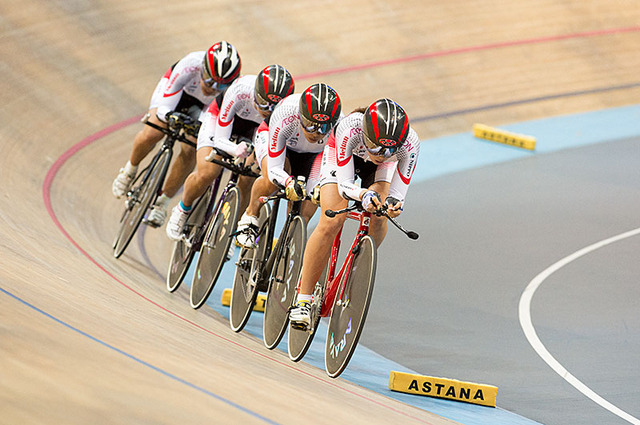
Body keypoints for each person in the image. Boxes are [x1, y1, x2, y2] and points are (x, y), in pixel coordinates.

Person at [289, 98, 421, 329]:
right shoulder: (350, 127)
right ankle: (303, 300)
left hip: (380, 170)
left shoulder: (410, 144)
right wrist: (363, 196)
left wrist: (393, 205)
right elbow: (345, 185)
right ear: (367, 134)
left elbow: (397, 195)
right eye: (378, 146)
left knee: (380, 216)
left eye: (391, 148)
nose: (383, 152)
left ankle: (358, 265)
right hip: (343, 160)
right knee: (333, 220)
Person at [111, 41, 242, 227]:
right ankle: (129, 171)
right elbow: (165, 105)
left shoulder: (232, 91)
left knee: (191, 149)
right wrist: (169, 115)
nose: (213, 88)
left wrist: (199, 128)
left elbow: (213, 122)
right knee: (154, 130)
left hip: (205, 109)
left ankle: (162, 203)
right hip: (177, 95)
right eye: (209, 80)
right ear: (202, 69)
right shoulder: (190, 64)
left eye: (220, 86)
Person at [165, 64, 295, 241]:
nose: (265, 110)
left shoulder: (285, 112)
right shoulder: (240, 90)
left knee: (249, 176)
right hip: (221, 121)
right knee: (208, 172)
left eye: (273, 107)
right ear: (255, 92)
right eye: (263, 102)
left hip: (256, 131)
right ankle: (182, 209)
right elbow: (220, 138)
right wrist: (234, 149)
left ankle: (226, 234)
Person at [235, 83, 343, 248]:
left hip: (315, 155)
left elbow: (332, 165)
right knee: (272, 180)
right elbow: (274, 169)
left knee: (307, 206)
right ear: (300, 115)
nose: (316, 132)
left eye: (323, 127)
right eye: (310, 124)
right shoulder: (286, 113)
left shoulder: (340, 125)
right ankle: (250, 216)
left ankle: (285, 245)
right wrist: (287, 182)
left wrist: (316, 188)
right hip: (282, 146)